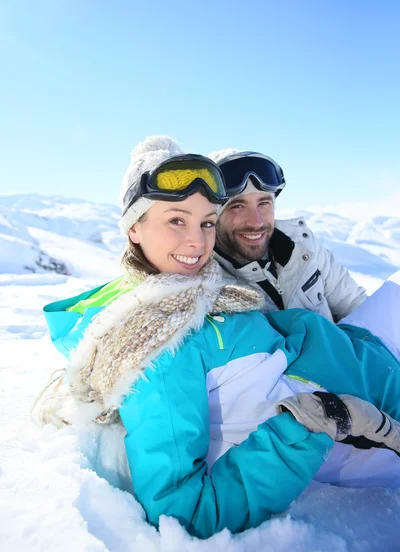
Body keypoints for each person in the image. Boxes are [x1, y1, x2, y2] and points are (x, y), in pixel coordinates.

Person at [37, 136, 400, 541]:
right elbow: (183, 510)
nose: (198, 242)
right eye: (176, 220)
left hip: (362, 350)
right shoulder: (155, 345)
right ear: (134, 228)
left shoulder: (202, 292)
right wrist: (307, 425)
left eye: (206, 222)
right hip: (371, 403)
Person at [208, 149, 366, 321]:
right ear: (213, 215)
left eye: (264, 203)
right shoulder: (206, 284)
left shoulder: (303, 245)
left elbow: (359, 308)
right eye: (237, 206)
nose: (256, 222)